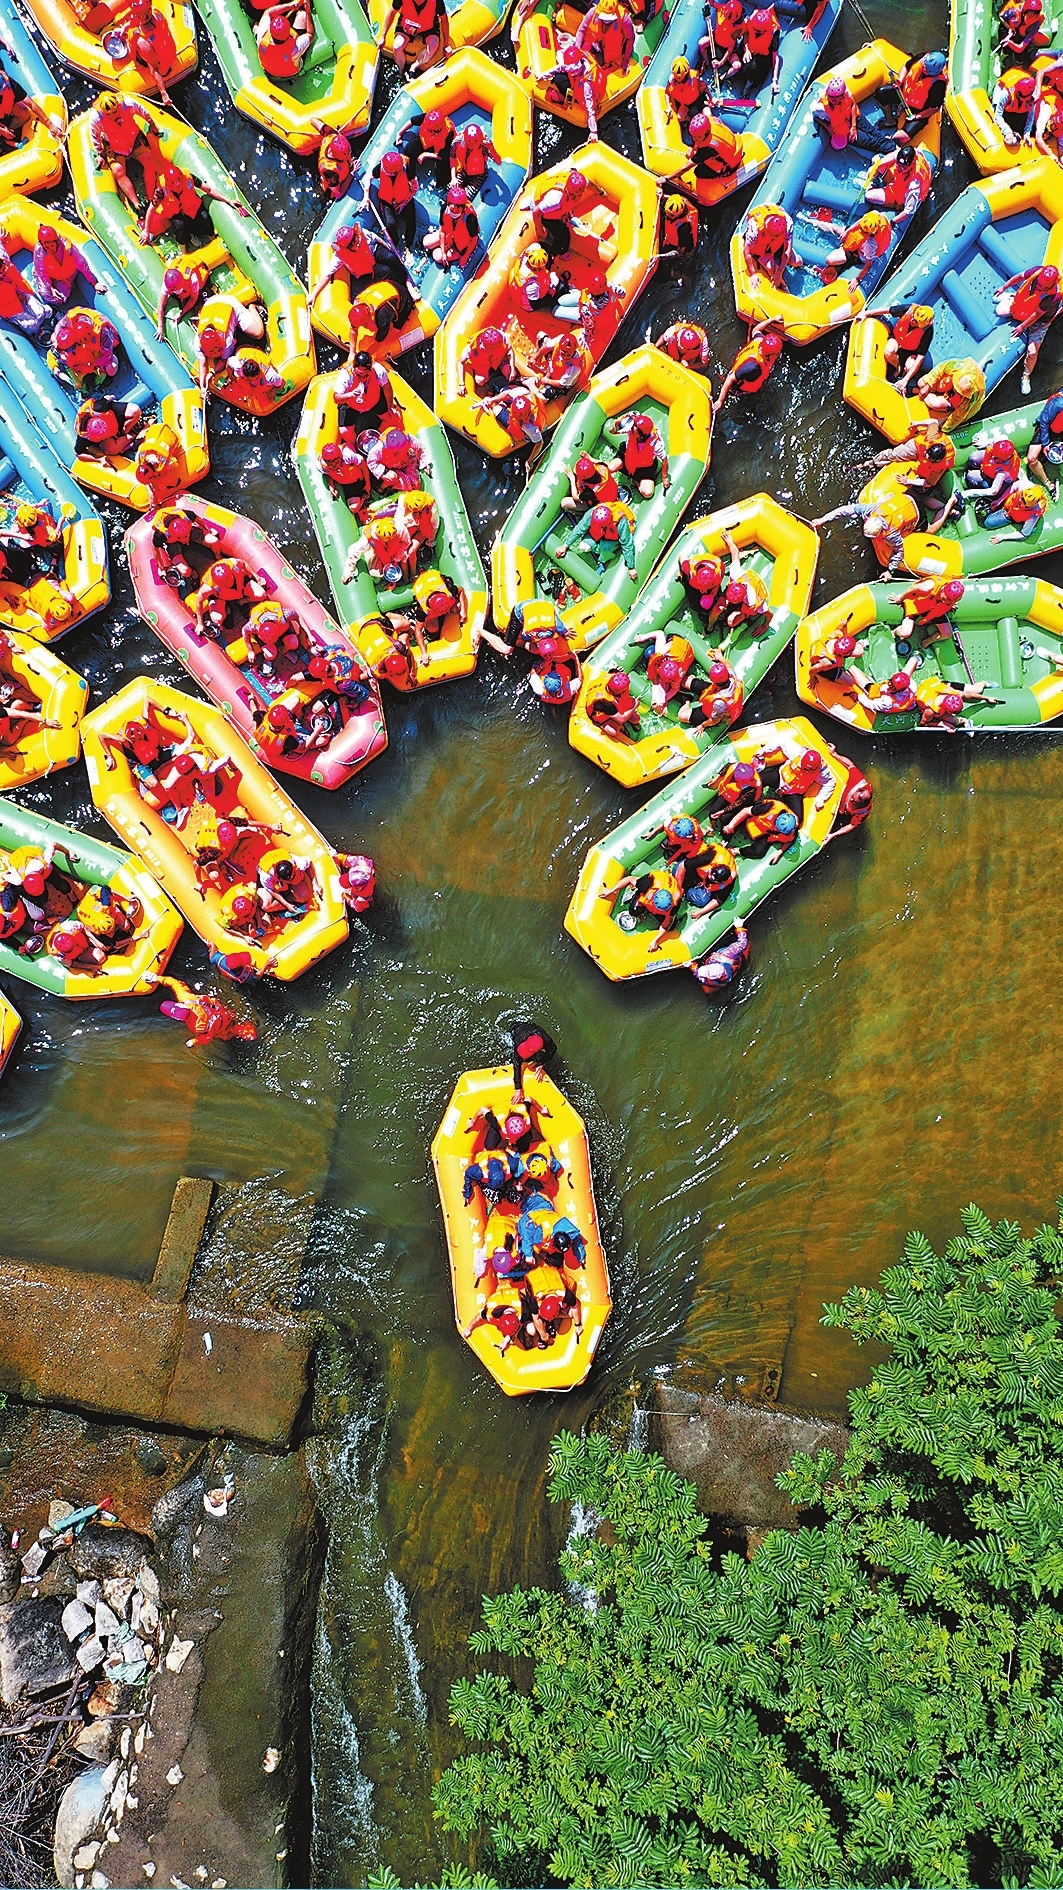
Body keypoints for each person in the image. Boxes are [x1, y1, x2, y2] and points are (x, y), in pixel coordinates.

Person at [310, 222, 415, 326]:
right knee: (386, 271)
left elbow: (377, 239)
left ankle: (407, 281)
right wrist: (314, 294)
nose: (355, 242)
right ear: (346, 247)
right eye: (351, 243)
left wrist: (391, 249)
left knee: (391, 258)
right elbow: (328, 274)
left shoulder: (362, 234)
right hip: (367, 271)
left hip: (373, 254)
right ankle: (402, 292)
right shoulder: (340, 255)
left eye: (355, 237)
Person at [995, 264, 1063, 393]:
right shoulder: (1037, 271)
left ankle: (1026, 376)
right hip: (1023, 306)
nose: (1039, 287)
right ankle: (1010, 296)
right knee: (999, 311)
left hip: (1039, 322)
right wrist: (1004, 287)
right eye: (1039, 284)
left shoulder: (1052, 297)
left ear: (1052, 284)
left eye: (1043, 286)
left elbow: (1036, 315)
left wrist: (1022, 327)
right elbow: (1020, 277)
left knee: (1032, 352)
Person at [810, 494, 914, 575]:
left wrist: (890, 571)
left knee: (929, 528)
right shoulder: (870, 510)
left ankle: (930, 526)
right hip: (902, 499)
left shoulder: (891, 535)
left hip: (914, 510)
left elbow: (899, 550)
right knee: (882, 502)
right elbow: (844, 510)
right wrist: (823, 519)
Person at [150, 972, 257, 1048]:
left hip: (223, 1030)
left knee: (230, 1034)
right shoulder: (186, 998)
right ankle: (250, 1030)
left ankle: (248, 1035)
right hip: (223, 1012)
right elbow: (175, 983)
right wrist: (156, 978)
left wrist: (194, 1041)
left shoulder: (196, 1027)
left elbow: (206, 1038)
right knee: (240, 1027)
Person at [597, 863, 684, 953]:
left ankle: (649, 911)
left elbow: (667, 922)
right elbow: (629, 879)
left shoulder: (675, 902)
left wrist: (656, 940)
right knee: (634, 911)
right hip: (655, 883)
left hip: (669, 886)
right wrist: (611, 890)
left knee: (671, 927)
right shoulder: (647, 885)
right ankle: (633, 895)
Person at [713, 319, 784, 412]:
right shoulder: (753, 367)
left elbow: (756, 330)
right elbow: (730, 379)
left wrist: (772, 320)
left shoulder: (760, 341)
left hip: (742, 370)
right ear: (769, 355)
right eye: (777, 354)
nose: (779, 354)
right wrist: (720, 401)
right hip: (739, 388)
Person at [866, 301, 934, 394]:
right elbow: (888, 310)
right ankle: (897, 367)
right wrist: (866, 313)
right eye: (913, 318)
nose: (912, 321)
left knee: (909, 366)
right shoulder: (908, 309)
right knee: (889, 352)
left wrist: (906, 379)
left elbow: (920, 357)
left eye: (916, 322)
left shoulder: (928, 331)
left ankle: (902, 377)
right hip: (897, 339)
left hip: (911, 351)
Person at [533, 170, 599, 262]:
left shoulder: (579, 182)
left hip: (555, 207)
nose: (575, 198)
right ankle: (559, 252)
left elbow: (590, 184)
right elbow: (536, 212)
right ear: (567, 190)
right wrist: (539, 230)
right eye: (573, 196)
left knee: (565, 222)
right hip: (547, 216)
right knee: (564, 236)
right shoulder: (555, 200)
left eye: (578, 196)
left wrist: (601, 192)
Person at [543, 43, 603, 140]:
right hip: (579, 82)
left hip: (592, 92)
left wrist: (593, 131)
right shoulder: (578, 60)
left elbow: (590, 107)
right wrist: (543, 75)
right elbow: (561, 67)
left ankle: (574, 100)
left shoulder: (586, 83)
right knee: (559, 78)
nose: (569, 71)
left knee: (562, 81)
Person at [818, 209, 892, 288]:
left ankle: (842, 254)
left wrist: (857, 279)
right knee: (836, 229)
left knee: (829, 260)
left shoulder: (870, 245)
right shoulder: (877, 216)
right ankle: (808, 220)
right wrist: (848, 231)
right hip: (862, 243)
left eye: (864, 232)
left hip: (858, 254)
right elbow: (861, 221)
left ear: (872, 232)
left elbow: (868, 265)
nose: (861, 232)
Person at [607, 412, 669, 499]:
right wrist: (620, 420)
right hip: (627, 458)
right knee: (610, 468)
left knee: (648, 493)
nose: (632, 429)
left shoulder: (655, 443)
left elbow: (664, 459)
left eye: (635, 428)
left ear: (642, 435)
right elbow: (612, 431)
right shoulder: (631, 428)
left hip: (644, 468)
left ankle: (635, 481)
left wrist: (664, 477)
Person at [333, 348, 397, 430]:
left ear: (371, 369)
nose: (362, 379)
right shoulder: (345, 375)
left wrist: (389, 406)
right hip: (352, 404)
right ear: (353, 368)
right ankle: (355, 442)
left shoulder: (378, 370)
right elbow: (336, 398)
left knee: (394, 419)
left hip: (374, 400)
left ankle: (377, 436)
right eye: (358, 375)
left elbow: (387, 387)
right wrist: (350, 395)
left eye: (366, 375)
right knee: (345, 433)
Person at [379, 0, 449, 74]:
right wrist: (383, 36)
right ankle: (401, 70)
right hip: (407, 24)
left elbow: (444, 19)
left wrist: (446, 44)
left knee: (433, 44)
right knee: (397, 47)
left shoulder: (437, 1)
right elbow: (392, 12)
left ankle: (414, 67)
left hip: (429, 26)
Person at [864, 142, 933, 217]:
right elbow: (891, 157)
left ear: (912, 164)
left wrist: (893, 222)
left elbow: (909, 211)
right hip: (898, 179)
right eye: (899, 165)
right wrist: (874, 169)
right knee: (876, 160)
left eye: (904, 167)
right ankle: (879, 182)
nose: (900, 168)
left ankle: (897, 205)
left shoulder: (914, 185)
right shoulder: (907, 154)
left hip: (901, 194)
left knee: (869, 195)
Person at [677, 654, 743, 730]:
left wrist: (703, 725)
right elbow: (729, 666)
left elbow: (715, 720)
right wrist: (720, 658)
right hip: (713, 692)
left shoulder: (719, 704)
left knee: (681, 715)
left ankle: (687, 700)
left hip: (710, 712)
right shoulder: (732, 677)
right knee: (685, 681)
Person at [423, 184, 479, 271]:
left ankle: (448, 251)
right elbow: (442, 231)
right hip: (450, 235)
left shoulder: (470, 219)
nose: (454, 212)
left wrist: (465, 257)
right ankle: (443, 246)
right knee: (426, 243)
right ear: (448, 204)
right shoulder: (445, 209)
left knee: (436, 256)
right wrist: (443, 251)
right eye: (452, 210)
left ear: (463, 208)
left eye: (458, 210)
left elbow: (474, 240)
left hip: (462, 246)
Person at [913, 360, 983, 429]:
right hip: (948, 387)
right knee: (921, 383)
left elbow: (957, 417)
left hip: (954, 402)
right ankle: (922, 391)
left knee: (935, 404)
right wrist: (928, 385)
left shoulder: (968, 399)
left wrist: (944, 428)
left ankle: (947, 411)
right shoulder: (956, 367)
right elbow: (939, 371)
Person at [895, 48, 947, 140]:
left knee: (904, 137)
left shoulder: (938, 86)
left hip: (919, 110)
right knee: (881, 92)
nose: (923, 68)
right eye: (924, 66)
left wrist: (916, 116)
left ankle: (891, 139)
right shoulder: (921, 58)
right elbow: (906, 67)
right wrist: (900, 80)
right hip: (905, 94)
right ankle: (889, 121)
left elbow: (933, 108)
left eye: (926, 69)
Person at [579, 501, 637, 582]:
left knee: (605, 547)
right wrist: (566, 545)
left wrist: (631, 567)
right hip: (606, 533)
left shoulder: (620, 522)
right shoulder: (595, 512)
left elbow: (627, 544)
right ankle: (600, 549)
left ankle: (603, 559)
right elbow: (579, 529)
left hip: (616, 536)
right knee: (584, 546)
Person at [370, 149, 418, 248]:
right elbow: (370, 177)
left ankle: (409, 245)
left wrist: (405, 202)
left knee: (411, 223)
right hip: (387, 202)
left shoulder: (407, 168)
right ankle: (395, 243)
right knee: (390, 224)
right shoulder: (380, 168)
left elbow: (414, 187)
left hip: (405, 200)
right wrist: (366, 196)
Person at [898, 575, 965, 645]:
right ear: (943, 590)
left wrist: (950, 605)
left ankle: (924, 643)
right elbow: (913, 588)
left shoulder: (954, 599)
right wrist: (900, 599)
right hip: (916, 605)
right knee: (905, 633)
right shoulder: (929, 587)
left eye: (949, 601)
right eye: (944, 599)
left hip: (934, 612)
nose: (945, 602)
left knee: (947, 634)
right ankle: (895, 632)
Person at [742, 203, 794, 289]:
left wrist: (780, 273)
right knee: (771, 269)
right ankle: (784, 286)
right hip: (762, 248)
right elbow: (747, 252)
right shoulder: (754, 229)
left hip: (778, 244)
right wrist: (753, 274)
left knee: (797, 262)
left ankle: (779, 270)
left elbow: (787, 251)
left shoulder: (788, 222)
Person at [256, 2, 314, 78]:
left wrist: (289, 6)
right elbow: (310, 34)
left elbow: (268, 12)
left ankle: (255, 28)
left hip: (268, 68)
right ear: (288, 34)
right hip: (290, 71)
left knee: (257, 26)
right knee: (302, 16)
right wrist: (307, 10)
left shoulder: (262, 36)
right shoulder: (294, 49)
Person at [155, 258, 210, 337]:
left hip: (196, 280)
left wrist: (182, 314)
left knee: (200, 301)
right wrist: (160, 327)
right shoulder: (167, 284)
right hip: (182, 271)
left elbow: (193, 299)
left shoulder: (193, 279)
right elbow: (161, 305)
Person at [75, 394, 144, 457]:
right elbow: (78, 453)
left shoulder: (99, 407)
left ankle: (125, 432)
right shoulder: (83, 438)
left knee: (134, 410)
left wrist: (112, 397)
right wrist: (99, 459)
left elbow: (108, 398)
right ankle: (132, 435)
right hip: (111, 437)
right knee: (110, 449)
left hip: (114, 417)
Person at [576, 0, 635, 73]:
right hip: (594, 43)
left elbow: (630, 38)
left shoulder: (624, 19)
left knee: (606, 65)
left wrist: (625, 60)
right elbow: (581, 31)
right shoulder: (593, 12)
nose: (606, 21)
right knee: (584, 50)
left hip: (611, 50)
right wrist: (577, 48)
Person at [402, 105, 455, 185]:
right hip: (427, 143)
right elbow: (412, 121)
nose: (426, 129)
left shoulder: (448, 134)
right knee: (409, 149)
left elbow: (442, 156)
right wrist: (399, 134)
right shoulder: (426, 118)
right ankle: (410, 178)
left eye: (429, 130)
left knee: (442, 168)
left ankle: (442, 184)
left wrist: (425, 155)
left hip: (440, 151)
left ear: (436, 131)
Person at [585, 666, 641, 739]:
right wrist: (635, 705)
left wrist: (616, 670)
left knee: (635, 718)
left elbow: (612, 671)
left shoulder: (613, 676)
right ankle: (622, 730)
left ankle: (634, 724)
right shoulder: (604, 702)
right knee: (614, 731)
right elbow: (621, 719)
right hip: (603, 715)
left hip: (619, 704)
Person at [964, 435, 1021, 505]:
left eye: (996, 458)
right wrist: (982, 444)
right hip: (989, 468)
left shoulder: (1003, 472)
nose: (992, 457)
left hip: (995, 479)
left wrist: (969, 493)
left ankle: (980, 482)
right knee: (973, 458)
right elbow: (993, 442)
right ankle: (978, 469)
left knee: (970, 477)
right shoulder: (1002, 440)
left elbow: (993, 491)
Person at [692, 922, 750, 991]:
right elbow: (742, 943)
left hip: (726, 976)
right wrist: (739, 928)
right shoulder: (730, 953)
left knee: (707, 989)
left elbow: (697, 975)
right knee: (747, 946)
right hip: (734, 969)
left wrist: (692, 966)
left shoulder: (707, 980)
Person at [1026, 386, 1063, 493]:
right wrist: (1046, 443)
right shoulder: (1058, 403)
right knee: (1032, 459)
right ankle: (1048, 483)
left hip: (1060, 430)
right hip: (1048, 428)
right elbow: (1044, 422)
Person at [685, 110, 743, 178]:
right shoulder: (711, 121)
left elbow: (686, 167)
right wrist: (692, 146)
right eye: (693, 136)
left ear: (706, 133)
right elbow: (706, 110)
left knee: (698, 172)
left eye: (698, 137)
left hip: (731, 165)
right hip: (734, 145)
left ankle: (721, 174)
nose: (694, 139)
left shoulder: (708, 148)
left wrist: (670, 177)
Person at [461, 325, 515, 397]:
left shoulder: (501, 337)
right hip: (482, 366)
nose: (499, 346)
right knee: (480, 381)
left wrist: (512, 367)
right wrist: (461, 384)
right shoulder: (472, 347)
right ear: (488, 347)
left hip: (498, 360)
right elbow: (460, 362)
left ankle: (499, 372)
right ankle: (490, 377)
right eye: (496, 346)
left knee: (509, 372)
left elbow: (510, 350)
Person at [366, 426, 425, 491]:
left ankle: (404, 484)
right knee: (393, 478)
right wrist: (384, 471)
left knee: (416, 483)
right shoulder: (380, 447)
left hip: (405, 461)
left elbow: (419, 449)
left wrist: (425, 463)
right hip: (389, 467)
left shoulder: (407, 438)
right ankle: (383, 486)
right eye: (396, 451)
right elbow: (371, 461)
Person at [991, 66, 1037, 146]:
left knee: (1022, 123)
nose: (1023, 99)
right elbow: (997, 115)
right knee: (993, 110)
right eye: (1020, 97)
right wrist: (1007, 131)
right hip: (1003, 96)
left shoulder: (1032, 95)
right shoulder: (1006, 93)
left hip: (1017, 110)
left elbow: (1031, 116)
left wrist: (1027, 133)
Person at [450, 120, 499, 194]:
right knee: (451, 190)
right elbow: (452, 158)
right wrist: (453, 178)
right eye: (469, 144)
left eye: (474, 144)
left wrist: (492, 148)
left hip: (479, 175)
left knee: (466, 196)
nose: (472, 146)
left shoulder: (484, 147)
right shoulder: (458, 142)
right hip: (463, 171)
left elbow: (498, 162)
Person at [813, 73, 859, 148]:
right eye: (831, 97)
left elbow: (853, 104)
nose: (834, 100)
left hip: (852, 117)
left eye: (838, 97)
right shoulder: (821, 107)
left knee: (871, 130)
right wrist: (828, 128)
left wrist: (854, 126)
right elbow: (816, 117)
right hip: (841, 129)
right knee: (865, 141)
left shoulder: (846, 92)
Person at [665, 54, 706, 123]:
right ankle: (689, 119)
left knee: (702, 112)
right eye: (676, 79)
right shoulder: (671, 82)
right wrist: (668, 107)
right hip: (684, 104)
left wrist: (710, 98)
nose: (678, 81)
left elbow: (703, 86)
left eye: (680, 79)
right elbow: (667, 93)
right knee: (680, 118)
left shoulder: (694, 77)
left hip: (698, 99)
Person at [316, 128, 353, 200]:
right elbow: (338, 194)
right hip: (333, 188)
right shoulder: (330, 171)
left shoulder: (332, 136)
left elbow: (314, 120)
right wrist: (351, 175)